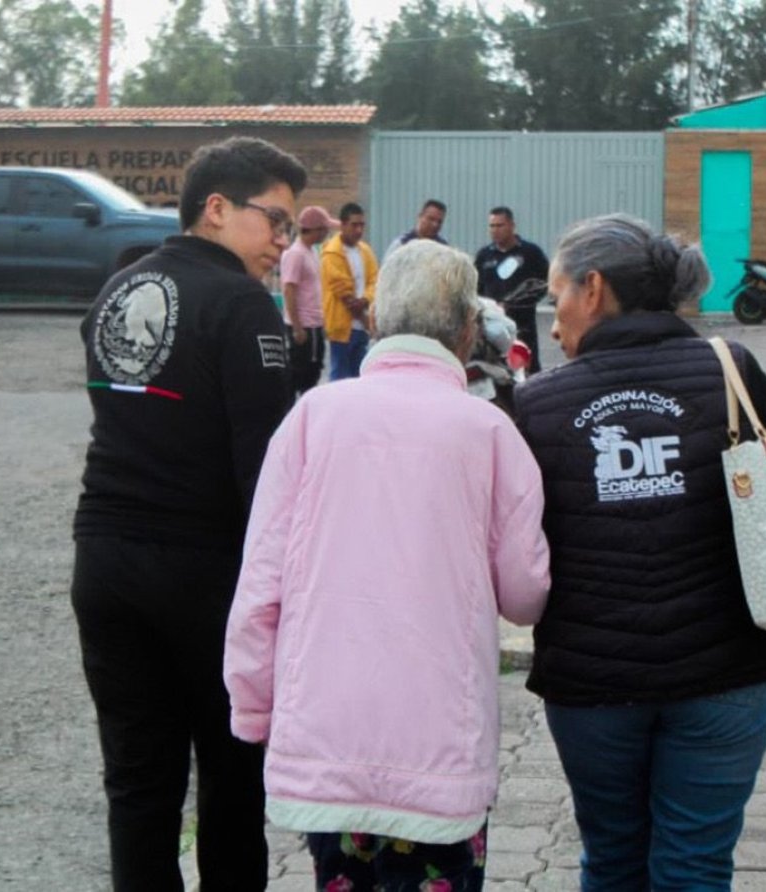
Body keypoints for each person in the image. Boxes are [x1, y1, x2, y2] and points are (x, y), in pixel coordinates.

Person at [223, 239, 552, 892]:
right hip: (440, 745)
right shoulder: (487, 432)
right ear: (466, 331)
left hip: (326, 735)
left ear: (374, 320)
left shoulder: (311, 417)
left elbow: (260, 583)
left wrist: (254, 708)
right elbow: (524, 595)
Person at [512, 213, 766, 892]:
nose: (553, 324)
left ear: (594, 289)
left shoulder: (536, 404)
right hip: (728, 671)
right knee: (696, 865)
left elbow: (517, 546)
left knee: (612, 860)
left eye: (557, 300)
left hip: (592, 686)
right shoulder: (733, 370)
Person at [71, 136, 307, 892]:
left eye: (291, 229)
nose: (282, 242)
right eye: (274, 221)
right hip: (205, 575)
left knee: (138, 780)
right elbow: (264, 474)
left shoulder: (119, 287)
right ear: (215, 209)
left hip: (104, 560)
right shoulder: (242, 304)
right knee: (233, 779)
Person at [474, 206, 550, 374]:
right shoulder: (484, 256)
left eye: (500, 225)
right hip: (492, 327)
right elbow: (475, 290)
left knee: (526, 370)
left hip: (523, 326)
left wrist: (518, 303)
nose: (495, 230)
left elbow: (544, 282)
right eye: (492, 226)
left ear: (512, 226)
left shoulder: (530, 253)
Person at [282, 205, 337, 395]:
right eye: (324, 229)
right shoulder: (296, 254)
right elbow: (289, 289)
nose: (326, 233)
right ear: (315, 230)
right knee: (299, 376)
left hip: (314, 325)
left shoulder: (312, 251)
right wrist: (297, 327)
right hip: (304, 327)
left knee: (312, 374)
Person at [320, 202, 378, 381]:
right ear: (343, 225)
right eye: (354, 225)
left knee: (359, 376)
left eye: (362, 225)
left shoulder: (365, 251)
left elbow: (374, 280)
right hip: (341, 325)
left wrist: (366, 300)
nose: (359, 230)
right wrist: (363, 314)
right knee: (339, 375)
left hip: (361, 327)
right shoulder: (332, 252)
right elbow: (342, 289)